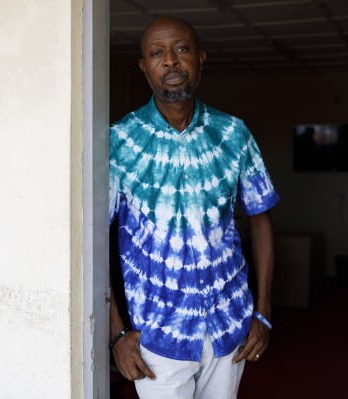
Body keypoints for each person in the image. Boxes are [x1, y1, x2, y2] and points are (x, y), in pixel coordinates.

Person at [108, 16, 280, 399]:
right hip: (159, 337)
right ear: (144, 68)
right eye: (157, 53)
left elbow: (261, 221)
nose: (170, 61)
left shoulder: (233, 134)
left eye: (181, 49)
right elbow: (90, 243)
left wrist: (263, 312)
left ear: (200, 59)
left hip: (228, 327)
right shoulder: (118, 143)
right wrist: (117, 334)